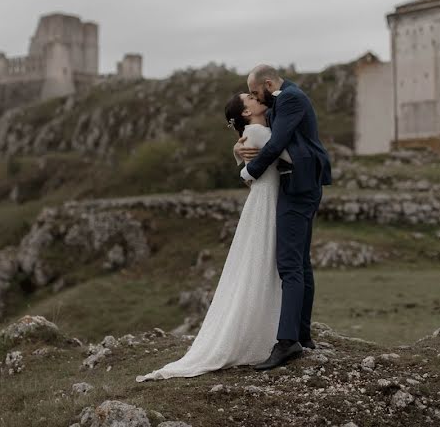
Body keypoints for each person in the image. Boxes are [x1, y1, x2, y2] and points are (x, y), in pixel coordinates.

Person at [135, 91, 292, 381]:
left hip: (262, 198)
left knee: (257, 263)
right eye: (251, 98)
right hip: (267, 200)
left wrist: (238, 156)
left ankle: (263, 329)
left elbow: (250, 170)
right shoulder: (258, 131)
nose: (258, 98)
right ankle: (264, 332)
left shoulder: (253, 132)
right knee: (264, 263)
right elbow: (288, 156)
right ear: (247, 113)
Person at [236, 64, 332, 371]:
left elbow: (277, 142)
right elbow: (266, 136)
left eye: (254, 92)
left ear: (266, 83)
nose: (254, 97)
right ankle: (302, 335)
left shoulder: (290, 98)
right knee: (300, 262)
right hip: (299, 184)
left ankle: (288, 341)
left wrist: (249, 170)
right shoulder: (283, 98)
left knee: (289, 264)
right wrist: (241, 145)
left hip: (299, 185)